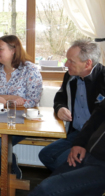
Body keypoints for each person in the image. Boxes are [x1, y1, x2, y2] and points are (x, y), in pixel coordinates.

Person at [39, 39, 105, 172]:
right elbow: (60, 97)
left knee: (62, 162)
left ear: (87, 64)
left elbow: (99, 119)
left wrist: (81, 143)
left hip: (95, 137)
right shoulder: (70, 76)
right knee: (45, 155)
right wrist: (60, 108)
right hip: (76, 133)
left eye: (71, 61)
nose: (65, 64)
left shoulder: (102, 79)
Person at [0, 35, 42, 179]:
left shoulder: (30, 70)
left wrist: (5, 100)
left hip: (21, 121)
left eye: (0, 49)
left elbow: (33, 100)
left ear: (13, 50)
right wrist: (14, 98)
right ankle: (6, 162)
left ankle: (11, 169)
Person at [29, 105, 105, 196]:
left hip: (101, 165)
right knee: (46, 185)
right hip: (88, 154)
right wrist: (79, 143)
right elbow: (95, 118)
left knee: (46, 189)